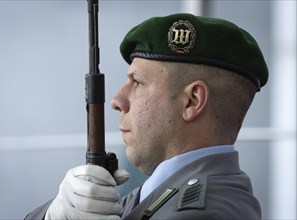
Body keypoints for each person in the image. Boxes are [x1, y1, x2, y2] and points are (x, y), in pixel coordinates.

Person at [25, 13, 268, 220]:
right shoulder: (160, 193)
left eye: (137, 82)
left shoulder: (203, 211)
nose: (117, 101)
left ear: (192, 101)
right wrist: (53, 214)